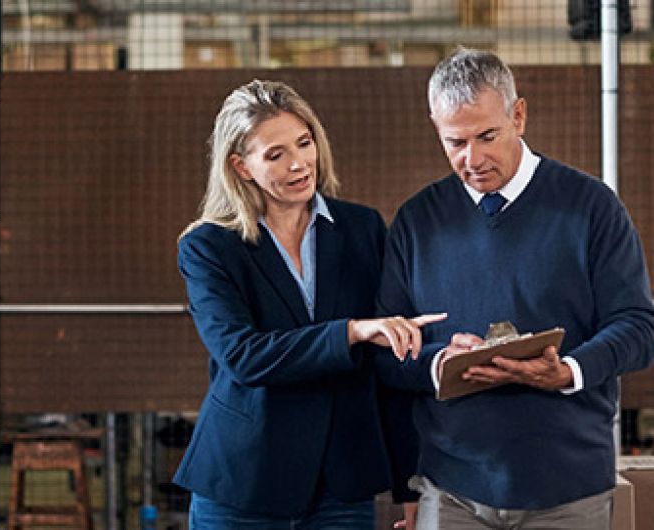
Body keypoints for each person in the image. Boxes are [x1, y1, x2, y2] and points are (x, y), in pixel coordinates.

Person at [377, 48, 654, 529]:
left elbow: (638, 327)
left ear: (519, 115)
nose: (473, 158)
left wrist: (566, 370)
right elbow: (386, 349)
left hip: (567, 488)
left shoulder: (591, 207)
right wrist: (438, 362)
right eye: (455, 142)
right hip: (451, 490)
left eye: (488, 136)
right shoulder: (416, 221)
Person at [174, 79, 445, 529]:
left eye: (304, 143)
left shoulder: (362, 229)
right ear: (241, 166)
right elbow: (244, 357)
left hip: (342, 485)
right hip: (246, 483)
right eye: (275, 154)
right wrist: (352, 331)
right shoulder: (209, 247)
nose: (299, 164)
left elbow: (389, 365)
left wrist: (407, 485)